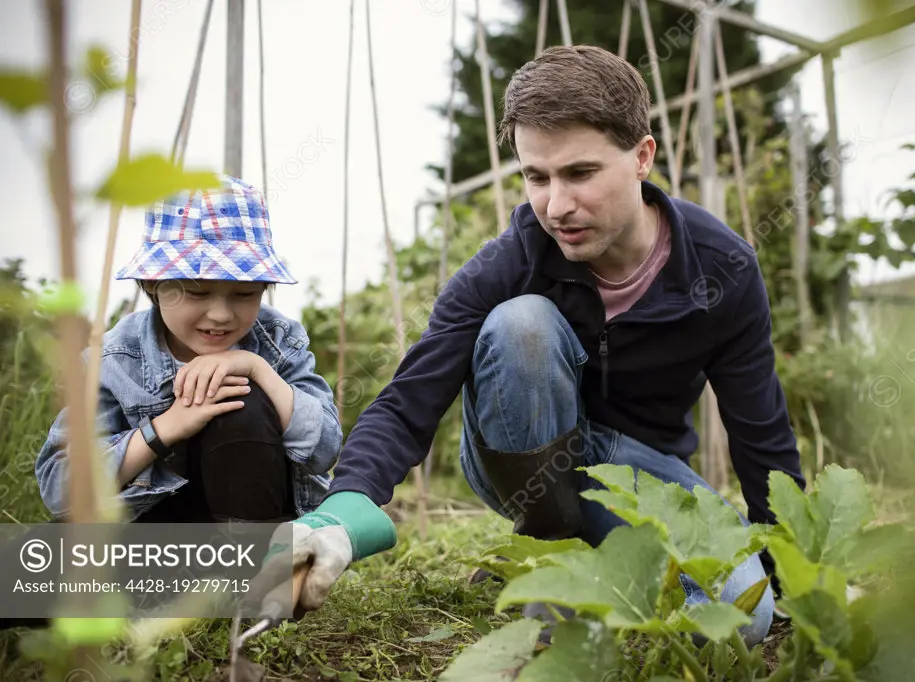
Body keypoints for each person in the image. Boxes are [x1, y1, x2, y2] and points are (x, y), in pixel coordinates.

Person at [265, 45, 807, 647]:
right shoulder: (510, 261)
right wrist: (341, 514)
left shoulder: (721, 268)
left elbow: (761, 434)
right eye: (535, 176)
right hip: (514, 454)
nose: (556, 205)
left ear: (642, 157)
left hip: (637, 472)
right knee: (524, 323)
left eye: (580, 173)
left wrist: (792, 579)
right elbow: (408, 400)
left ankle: (574, 575)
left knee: (741, 621)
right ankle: (546, 551)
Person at [34, 175, 342, 524]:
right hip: (158, 526)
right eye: (196, 293)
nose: (221, 315)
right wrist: (165, 428)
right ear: (153, 283)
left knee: (243, 399)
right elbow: (59, 490)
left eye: (244, 295)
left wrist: (255, 368)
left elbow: (325, 450)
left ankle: (258, 570)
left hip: (254, 518)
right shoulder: (113, 359)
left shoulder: (278, 342)